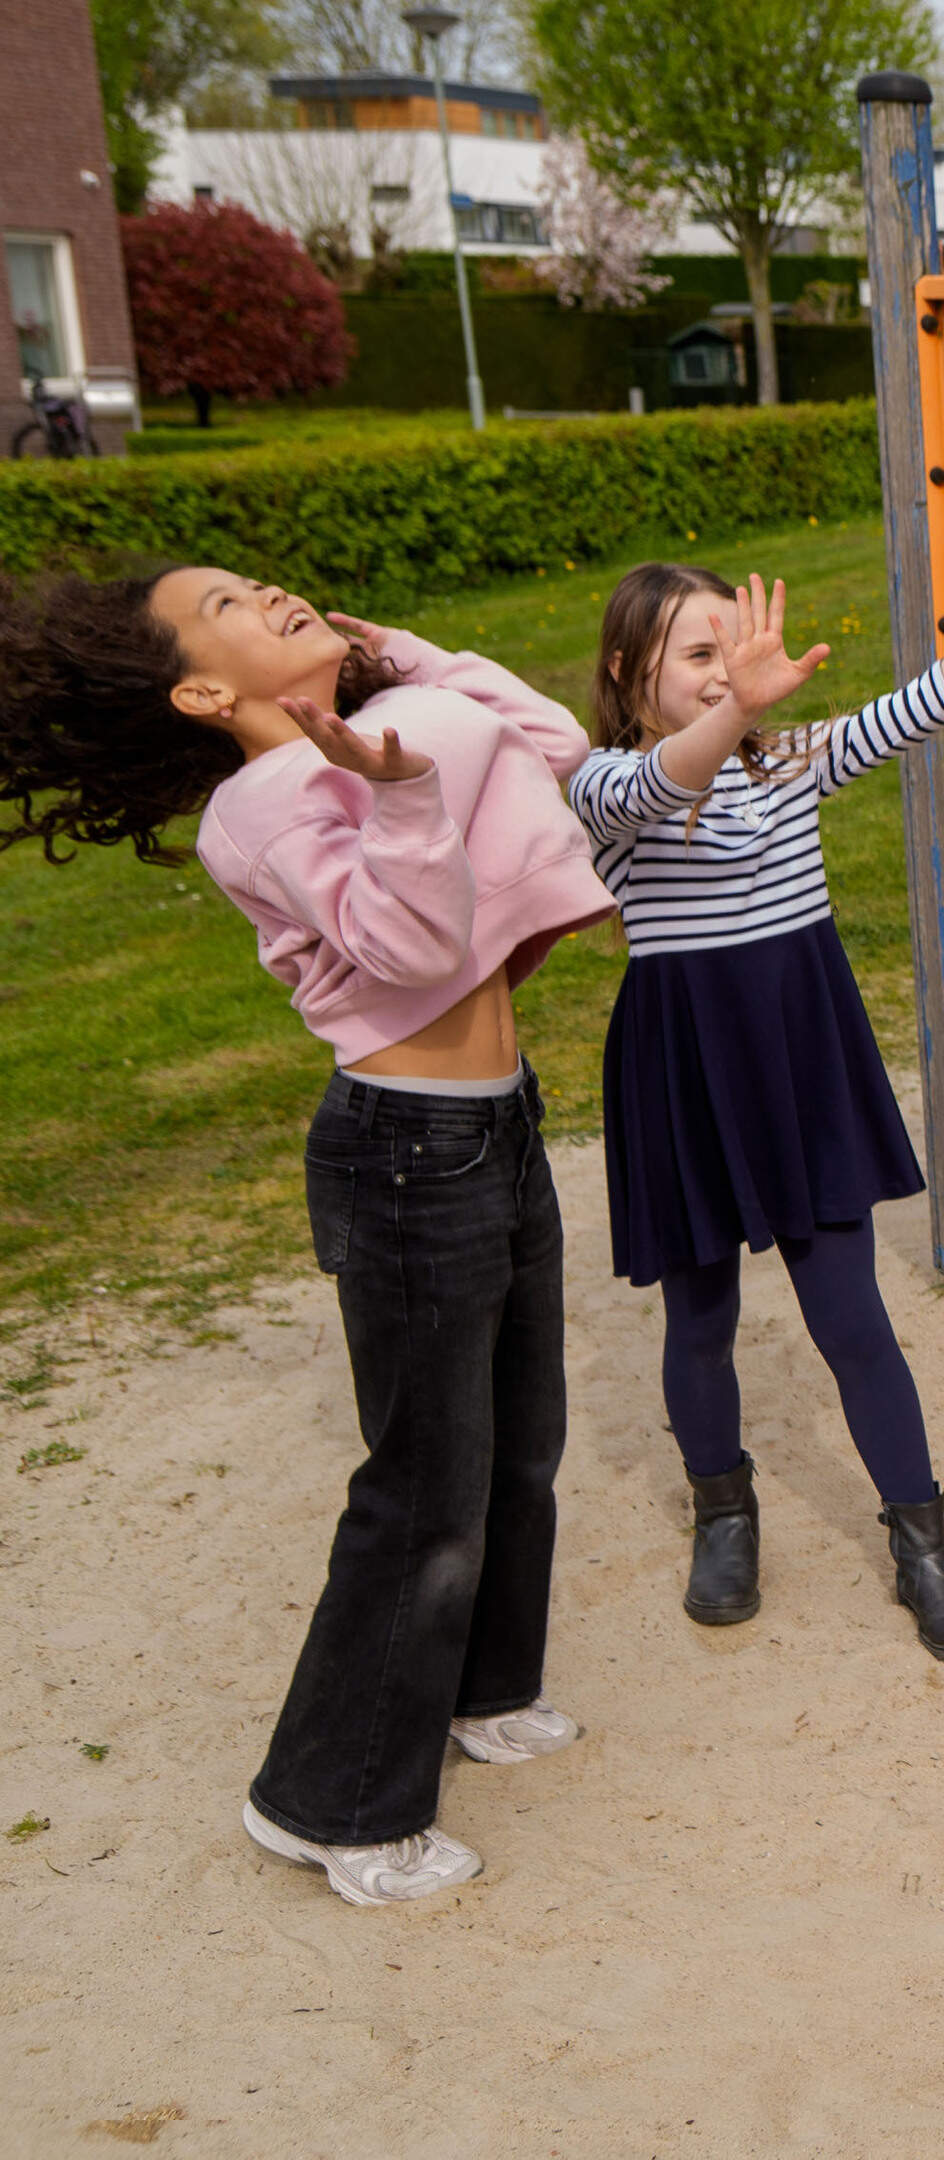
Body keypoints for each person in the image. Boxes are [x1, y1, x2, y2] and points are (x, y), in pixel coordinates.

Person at [0, 567, 618, 1906]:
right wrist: (398, 795)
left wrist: (401, 646)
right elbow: (405, 945)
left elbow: (549, 742)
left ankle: (488, 1689)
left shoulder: (396, 729)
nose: (270, 590)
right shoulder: (260, 806)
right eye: (227, 601)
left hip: (495, 1123)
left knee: (521, 1444)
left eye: (263, 580)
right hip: (407, 1153)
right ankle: (332, 1806)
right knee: (426, 1486)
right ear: (204, 691)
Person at [565, 514, 944, 1662]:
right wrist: (736, 705)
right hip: (686, 1068)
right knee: (701, 1321)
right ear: (623, 672)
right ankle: (723, 1514)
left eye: (733, 649)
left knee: (854, 1318)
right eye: (699, 655)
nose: (730, 670)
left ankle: (922, 1541)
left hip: (802, 1058)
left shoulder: (786, 761)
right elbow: (657, 785)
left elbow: (919, 704)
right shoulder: (602, 783)